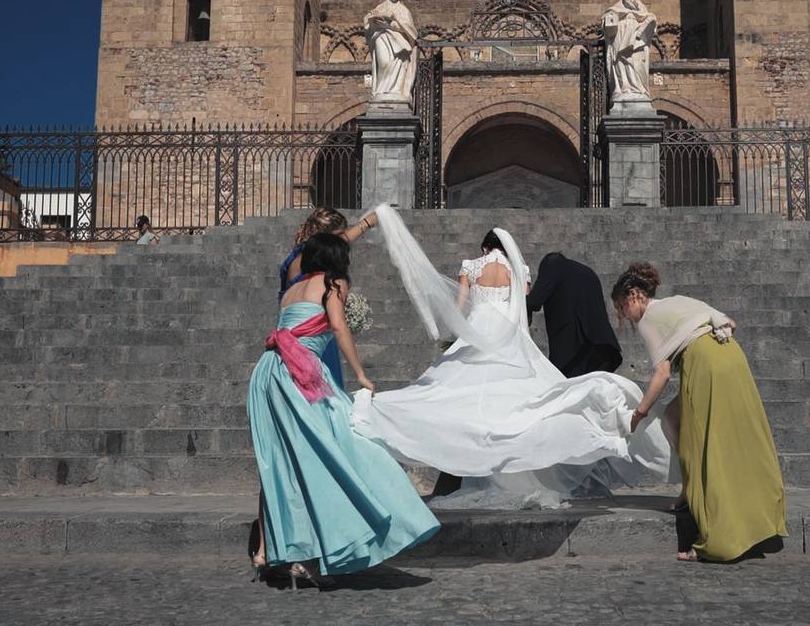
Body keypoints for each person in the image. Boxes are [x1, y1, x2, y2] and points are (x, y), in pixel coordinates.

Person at [350, 206, 672, 510]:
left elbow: (460, 306)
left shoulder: (471, 266)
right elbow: (524, 306)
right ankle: (514, 470)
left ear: (484, 248)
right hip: (508, 337)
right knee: (518, 405)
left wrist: (457, 328)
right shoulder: (518, 270)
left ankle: (454, 467)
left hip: (476, 333)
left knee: (455, 398)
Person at [249, 233, 439, 587]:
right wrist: (362, 375)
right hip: (300, 374)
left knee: (284, 461)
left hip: (268, 373)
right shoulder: (333, 284)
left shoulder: (293, 288)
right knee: (343, 445)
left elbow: (290, 328)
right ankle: (343, 538)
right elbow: (337, 327)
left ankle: (286, 554)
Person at [611, 262, 788, 562]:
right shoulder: (679, 301)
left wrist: (638, 414)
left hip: (705, 363)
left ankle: (718, 537)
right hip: (731, 355)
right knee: (677, 420)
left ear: (634, 296)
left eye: (621, 307)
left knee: (706, 444)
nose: (622, 316)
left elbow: (662, 374)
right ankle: (693, 489)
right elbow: (730, 322)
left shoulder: (649, 319)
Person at [279, 207, 379, 388]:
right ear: (326, 236)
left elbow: (345, 239)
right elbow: (338, 325)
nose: (343, 240)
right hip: (310, 337)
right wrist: (360, 374)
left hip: (298, 336)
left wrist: (372, 220)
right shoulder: (309, 263)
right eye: (339, 235)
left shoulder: (306, 255)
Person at [527, 252, 622, 378]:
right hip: (603, 349)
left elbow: (535, 301)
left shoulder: (551, 264)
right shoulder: (587, 271)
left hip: (574, 348)